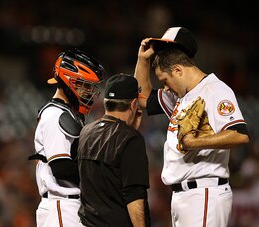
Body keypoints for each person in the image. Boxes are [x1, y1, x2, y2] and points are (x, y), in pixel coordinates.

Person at [134, 27, 250, 227]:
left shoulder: (215, 90)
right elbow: (142, 98)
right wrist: (142, 60)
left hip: (204, 192)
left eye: (165, 81)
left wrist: (196, 142)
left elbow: (239, 135)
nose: (165, 87)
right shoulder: (181, 96)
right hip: (185, 195)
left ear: (178, 69)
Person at [29, 48, 104, 226]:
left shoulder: (68, 114)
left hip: (70, 205)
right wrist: (101, 175)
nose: (89, 91)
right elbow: (61, 168)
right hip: (62, 205)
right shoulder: (55, 115)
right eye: (84, 84)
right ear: (69, 81)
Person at [77, 74, 151, 227]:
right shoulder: (131, 139)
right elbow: (133, 195)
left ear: (106, 103)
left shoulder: (85, 132)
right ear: (133, 104)